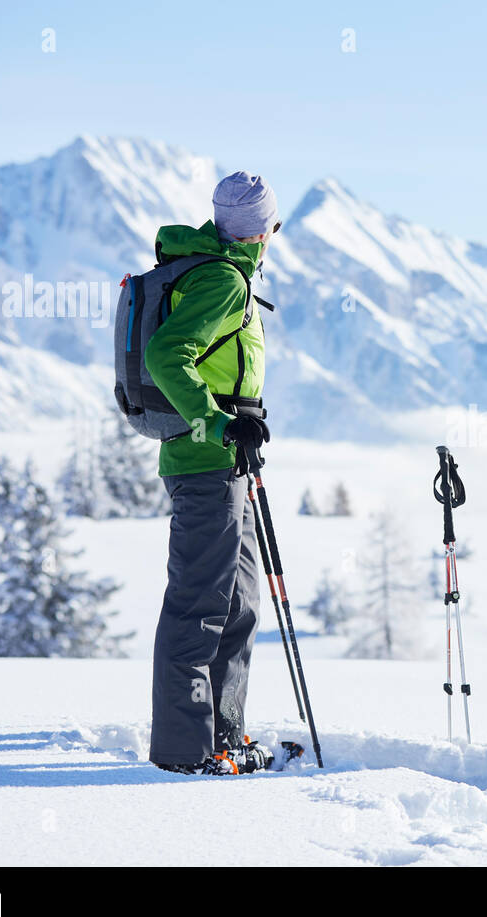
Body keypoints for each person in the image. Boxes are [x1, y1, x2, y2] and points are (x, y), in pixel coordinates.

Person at [144, 171, 284, 775]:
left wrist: (240, 425)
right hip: (206, 461)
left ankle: (225, 736)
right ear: (260, 232)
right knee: (199, 606)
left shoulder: (226, 276)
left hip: (227, 463)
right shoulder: (223, 280)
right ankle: (184, 752)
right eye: (273, 228)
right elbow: (165, 355)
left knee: (239, 603)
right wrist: (218, 422)